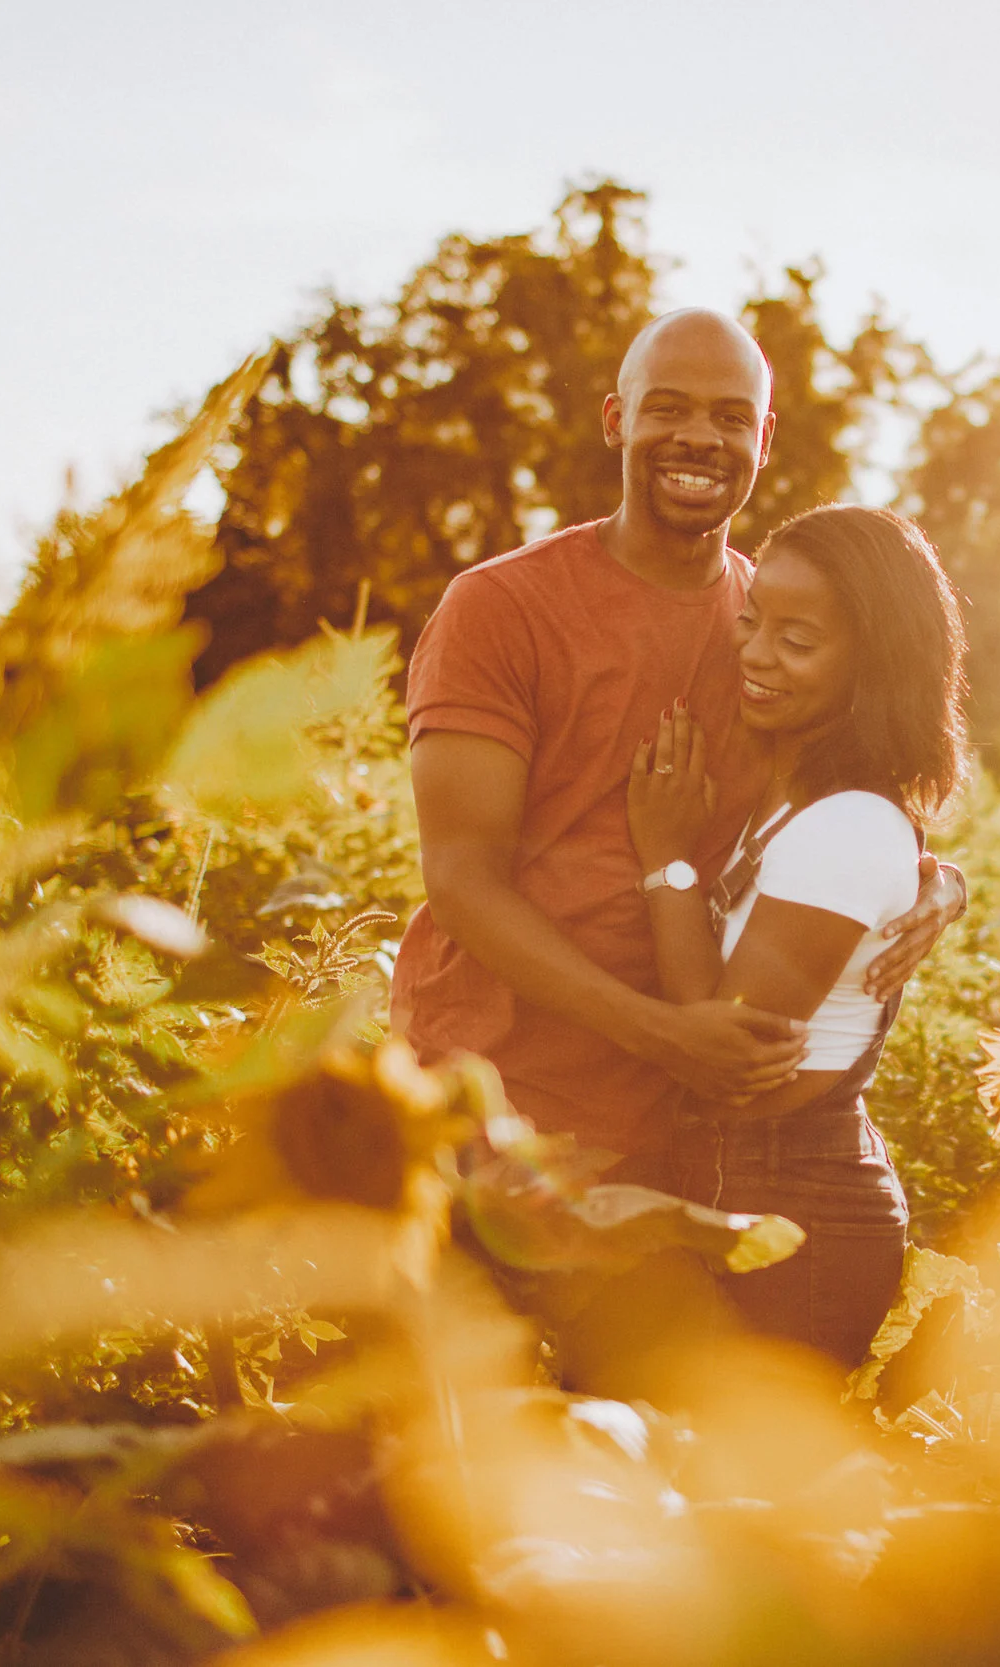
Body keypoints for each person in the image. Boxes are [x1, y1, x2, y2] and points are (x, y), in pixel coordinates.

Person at [390, 307, 964, 1186]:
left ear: (765, 439)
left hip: (677, 1132)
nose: (699, 437)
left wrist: (934, 878)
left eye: (731, 417)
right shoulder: (499, 607)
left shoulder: (776, 628)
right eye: (668, 408)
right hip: (488, 1109)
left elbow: (841, 799)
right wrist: (656, 1029)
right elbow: (463, 879)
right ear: (617, 418)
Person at [623, 504, 967, 1367]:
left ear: (875, 666)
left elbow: (722, 1049)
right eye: (752, 622)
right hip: (754, 1197)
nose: (756, 653)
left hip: (798, 1218)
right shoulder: (799, 802)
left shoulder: (844, 824)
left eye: (798, 640)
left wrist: (665, 858)